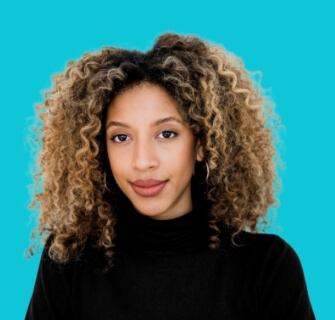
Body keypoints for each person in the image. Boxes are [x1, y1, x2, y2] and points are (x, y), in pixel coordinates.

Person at [25, 33, 315, 320]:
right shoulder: (68, 261)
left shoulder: (267, 267)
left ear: (202, 143)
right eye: (121, 137)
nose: (142, 162)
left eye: (166, 134)